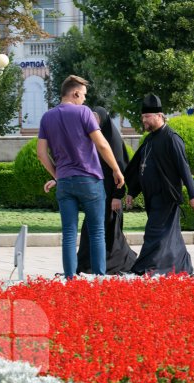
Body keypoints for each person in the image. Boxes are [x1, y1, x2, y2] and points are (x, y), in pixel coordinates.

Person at [37, 75, 125, 279]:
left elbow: (41, 154)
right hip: (89, 180)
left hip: (65, 182)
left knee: (68, 233)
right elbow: (102, 144)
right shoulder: (83, 112)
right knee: (97, 232)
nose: (85, 99)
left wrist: (58, 174)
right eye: (83, 95)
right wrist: (116, 169)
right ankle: (99, 278)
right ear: (75, 93)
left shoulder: (47, 117)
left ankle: (70, 278)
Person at [124, 94, 194, 276]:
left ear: (159, 116)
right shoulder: (149, 139)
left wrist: (193, 194)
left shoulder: (171, 138)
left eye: (147, 117)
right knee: (169, 234)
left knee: (153, 232)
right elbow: (139, 167)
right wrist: (132, 192)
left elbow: (184, 167)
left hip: (166, 195)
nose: (144, 120)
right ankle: (182, 266)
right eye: (143, 117)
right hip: (152, 196)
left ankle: (145, 267)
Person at [76, 106, 137, 275]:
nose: (92, 122)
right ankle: (88, 262)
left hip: (110, 193)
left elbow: (120, 169)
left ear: (103, 120)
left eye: (95, 118)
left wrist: (117, 196)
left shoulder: (112, 140)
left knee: (110, 230)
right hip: (95, 193)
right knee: (90, 228)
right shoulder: (92, 138)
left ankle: (112, 262)